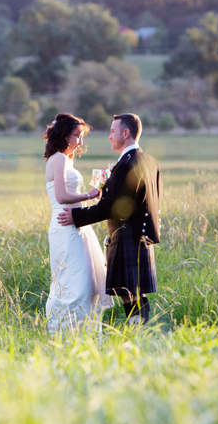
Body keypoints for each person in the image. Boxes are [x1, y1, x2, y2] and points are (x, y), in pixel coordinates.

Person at [57, 113, 162, 324]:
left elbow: (111, 208)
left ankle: (139, 331)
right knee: (134, 292)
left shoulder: (126, 164)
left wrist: (76, 216)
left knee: (129, 292)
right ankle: (143, 331)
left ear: (126, 132)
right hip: (140, 234)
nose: (109, 137)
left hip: (126, 234)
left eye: (112, 131)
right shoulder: (149, 160)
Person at [44, 113, 113, 334]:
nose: (80, 142)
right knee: (75, 282)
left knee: (84, 279)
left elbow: (72, 194)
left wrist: (96, 192)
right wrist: (87, 194)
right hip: (66, 226)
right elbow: (62, 196)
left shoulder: (64, 159)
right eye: (77, 136)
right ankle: (69, 332)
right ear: (64, 135)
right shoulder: (60, 159)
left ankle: (83, 331)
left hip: (75, 225)